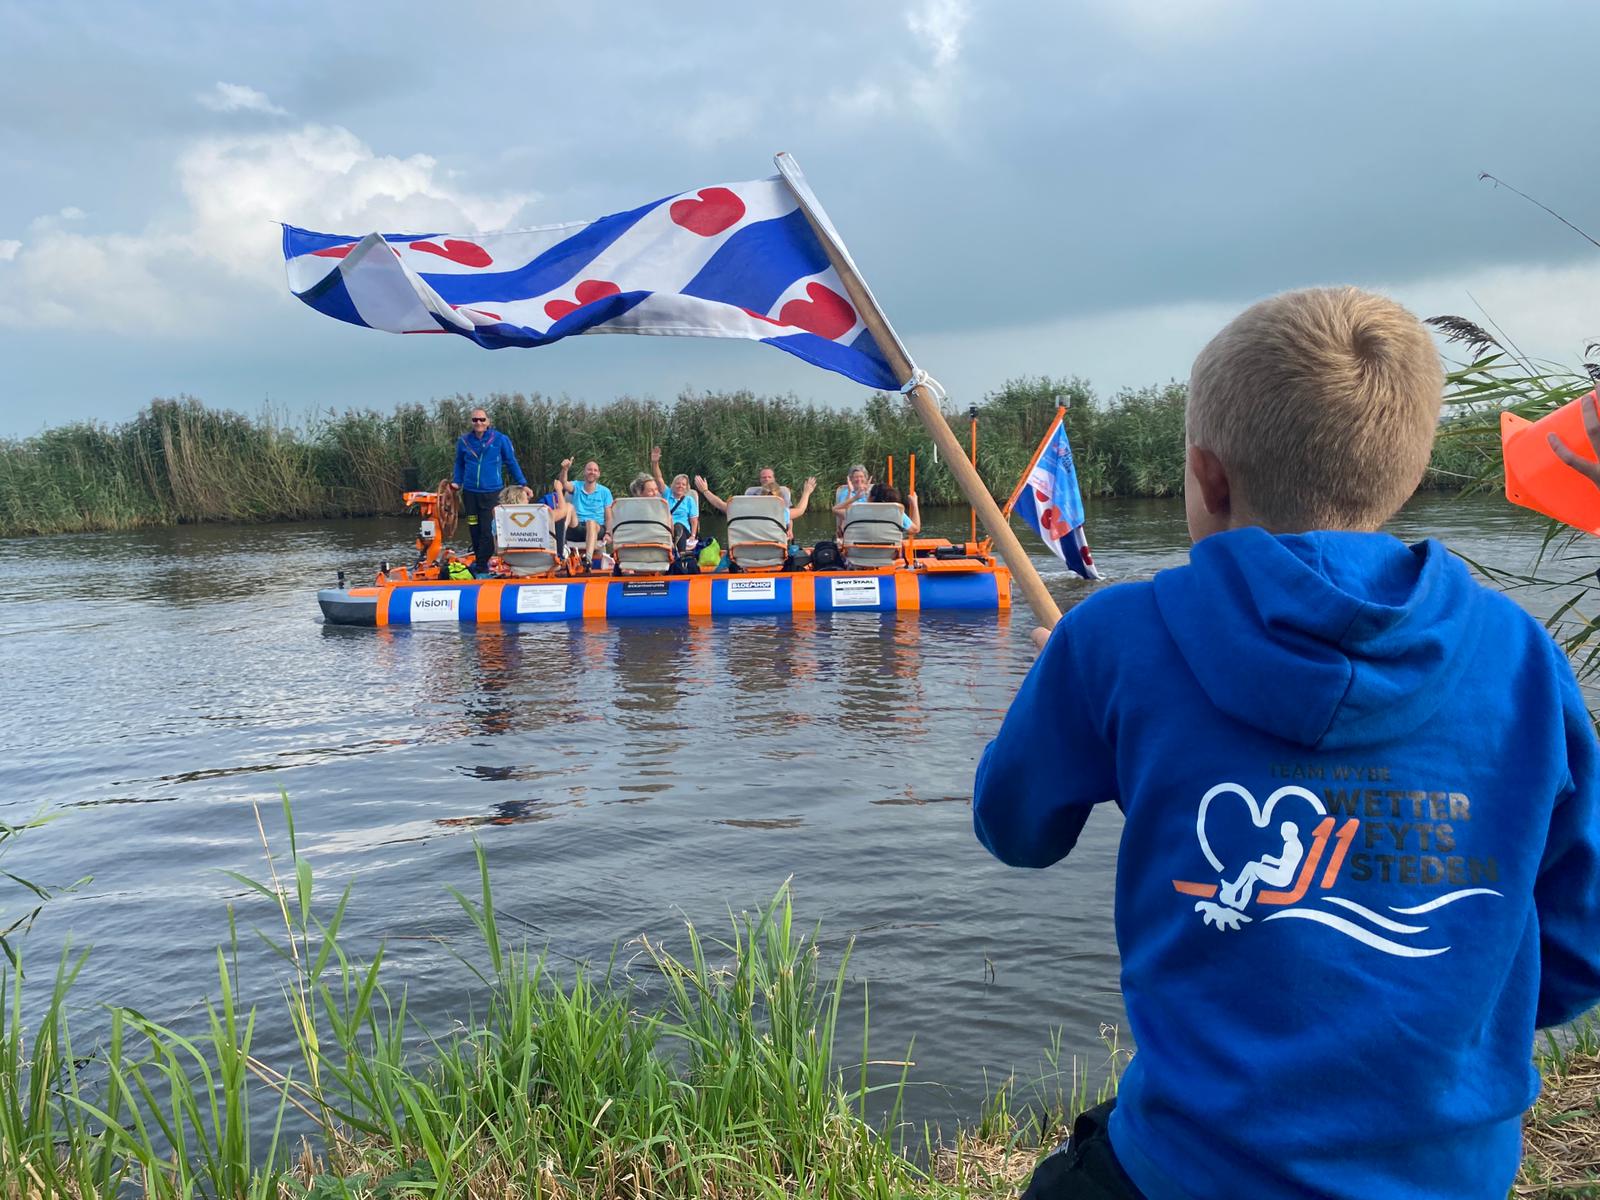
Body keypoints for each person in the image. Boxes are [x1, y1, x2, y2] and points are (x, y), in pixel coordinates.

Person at [971, 288, 1600, 1200]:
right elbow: (1581, 944)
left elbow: (1014, 828)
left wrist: (1059, 681)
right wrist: (1455, 1014)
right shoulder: (1523, 658)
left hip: (1192, 1170)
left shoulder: (1116, 638)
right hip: (1452, 1173)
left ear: (1208, 477)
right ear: (1410, 472)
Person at [452, 407, 528, 577]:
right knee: (474, 528)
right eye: (475, 420)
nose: (478, 423)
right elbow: (459, 463)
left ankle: (480, 566)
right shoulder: (464, 441)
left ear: (488, 422)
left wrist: (522, 483)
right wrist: (457, 481)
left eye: (482, 420)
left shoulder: (500, 439)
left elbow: (511, 461)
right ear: (471, 422)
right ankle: (481, 562)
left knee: (487, 530)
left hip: (492, 493)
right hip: (471, 493)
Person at [696, 473, 816, 530]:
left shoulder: (744, 510)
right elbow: (800, 510)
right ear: (779, 498)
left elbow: (720, 504)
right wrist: (806, 492)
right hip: (774, 551)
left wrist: (705, 491)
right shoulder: (781, 512)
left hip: (745, 552)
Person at [561, 460, 614, 568]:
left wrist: (608, 533)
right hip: (578, 526)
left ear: (598, 474)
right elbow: (564, 484)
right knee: (569, 507)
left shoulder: (605, 491)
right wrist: (565, 469)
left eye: (595, 470)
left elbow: (608, 517)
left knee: (591, 522)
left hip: (597, 528)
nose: (592, 472)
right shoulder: (577, 486)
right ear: (584, 472)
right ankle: (560, 542)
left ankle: (588, 559)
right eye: (589, 469)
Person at [649, 446, 700, 552]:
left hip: (683, 530)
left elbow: (694, 521)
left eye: (683, 484)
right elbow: (658, 478)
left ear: (686, 487)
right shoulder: (667, 493)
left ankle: (681, 556)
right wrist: (655, 463)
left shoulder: (689, 500)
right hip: (666, 528)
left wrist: (693, 536)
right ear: (672, 484)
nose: (680, 486)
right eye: (677, 483)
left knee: (678, 526)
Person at [832, 464, 872, 535]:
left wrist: (867, 493)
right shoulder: (846, 493)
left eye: (861, 477)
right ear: (851, 479)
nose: (859, 479)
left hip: (868, 525)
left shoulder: (872, 493)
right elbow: (842, 510)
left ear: (866, 478)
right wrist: (850, 491)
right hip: (851, 526)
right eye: (856, 477)